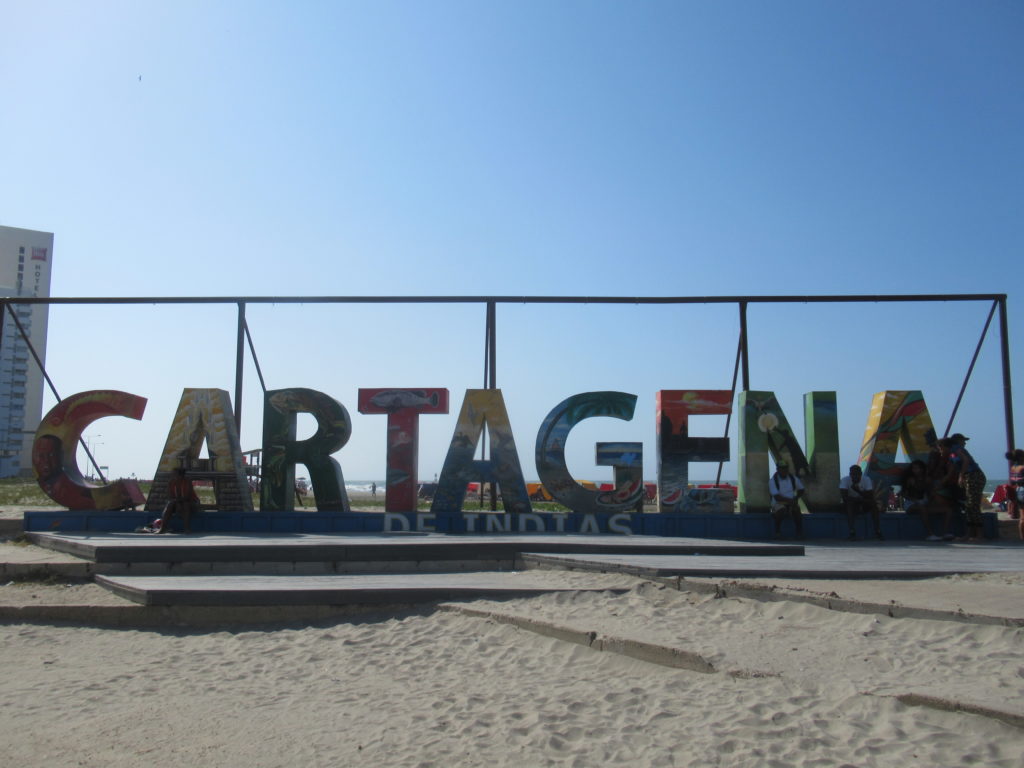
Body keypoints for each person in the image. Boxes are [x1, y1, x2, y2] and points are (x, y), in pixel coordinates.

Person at [899, 459, 950, 541]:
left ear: (922, 469)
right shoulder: (910, 480)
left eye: (917, 468)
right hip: (910, 504)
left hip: (924, 502)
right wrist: (915, 500)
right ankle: (930, 534)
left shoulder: (928, 480)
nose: (915, 470)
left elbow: (931, 493)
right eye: (914, 468)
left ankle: (945, 533)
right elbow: (902, 493)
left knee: (947, 509)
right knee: (922, 508)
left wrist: (930, 500)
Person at [949, 433, 986, 541]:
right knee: (969, 505)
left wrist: (961, 475)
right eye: (962, 440)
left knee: (972, 505)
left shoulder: (957, 450)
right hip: (971, 476)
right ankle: (970, 533)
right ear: (957, 441)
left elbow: (966, 460)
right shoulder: (955, 450)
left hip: (973, 476)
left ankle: (978, 534)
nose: (964, 443)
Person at [840, 465, 881, 540]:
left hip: (862, 502)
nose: (855, 476)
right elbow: (845, 498)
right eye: (853, 474)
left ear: (861, 474)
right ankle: (852, 532)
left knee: (873, 504)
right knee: (850, 504)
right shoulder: (845, 480)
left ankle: (878, 531)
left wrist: (858, 490)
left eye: (857, 474)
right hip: (851, 503)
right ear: (850, 474)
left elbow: (870, 496)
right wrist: (859, 499)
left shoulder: (866, 479)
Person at [768, 461, 804, 539]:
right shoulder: (773, 481)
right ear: (777, 469)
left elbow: (801, 489)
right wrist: (791, 501)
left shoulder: (793, 478)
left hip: (791, 502)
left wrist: (796, 497)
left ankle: (799, 533)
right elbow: (777, 497)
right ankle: (777, 532)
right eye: (782, 468)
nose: (784, 470)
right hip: (778, 503)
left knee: (797, 511)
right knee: (781, 510)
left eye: (785, 468)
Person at [158, 467, 199, 534]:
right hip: (176, 503)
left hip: (190, 502)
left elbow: (187, 497)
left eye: (175, 474)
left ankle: (187, 528)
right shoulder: (171, 482)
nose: (173, 476)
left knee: (186, 505)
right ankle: (163, 528)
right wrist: (177, 504)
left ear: (181, 476)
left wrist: (178, 503)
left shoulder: (187, 481)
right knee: (170, 505)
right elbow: (170, 497)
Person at [1007, 449, 1024, 540]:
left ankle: (1022, 537)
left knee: (1022, 517)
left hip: (1018, 491)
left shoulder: (1013, 468)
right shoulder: (1022, 467)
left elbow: (1013, 481)